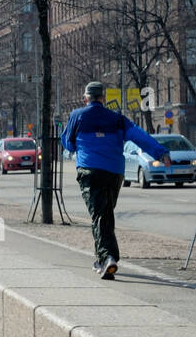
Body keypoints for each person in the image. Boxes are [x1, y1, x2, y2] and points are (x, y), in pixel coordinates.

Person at [61, 81, 171, 279]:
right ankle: (103, 260)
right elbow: (140, 136)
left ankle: (108, 258)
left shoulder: (76, 116)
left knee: (100, 215)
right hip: (114, 173)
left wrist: (80, 145)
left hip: (90, 170)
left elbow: (68, 144)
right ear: (103, 98)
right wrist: (160, 153)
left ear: (85, 98)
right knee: (104, 214)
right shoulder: (118, 119)